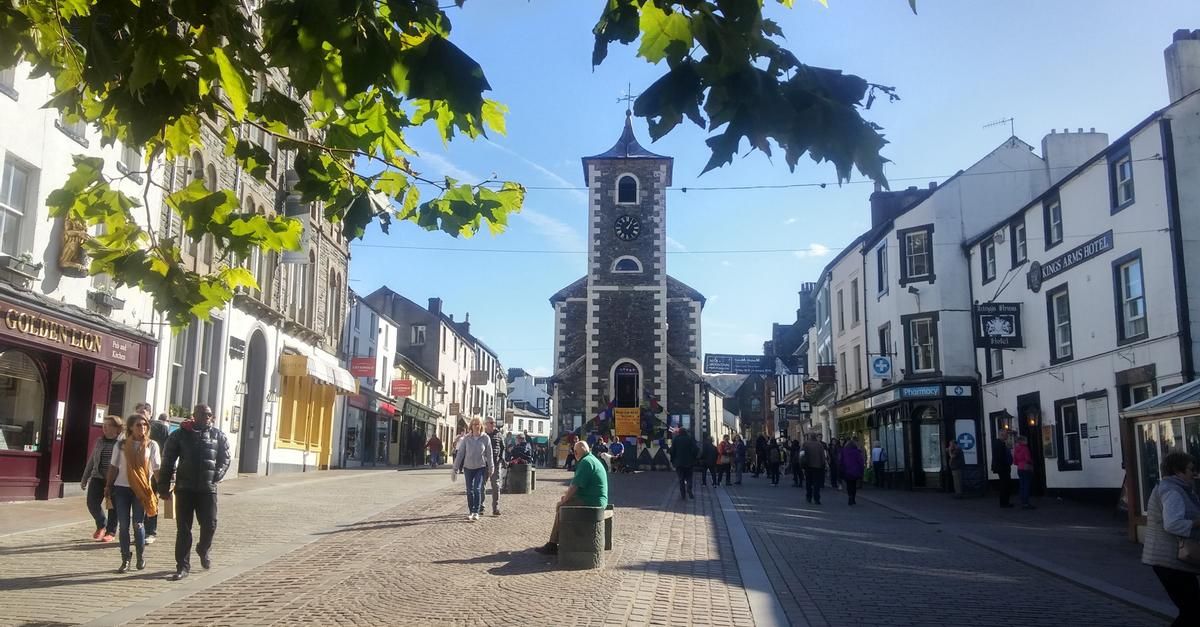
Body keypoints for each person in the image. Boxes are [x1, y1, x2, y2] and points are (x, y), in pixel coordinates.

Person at [158, 404, 231, 581]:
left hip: (207, 489)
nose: (207, 417)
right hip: (185, 488)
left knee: (210, 525)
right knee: (183, 529)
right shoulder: (179, 435)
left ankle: (203, 548)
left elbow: (225, 458)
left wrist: (217, 474)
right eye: (203, 414)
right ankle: (183, 566)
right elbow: (167, 461)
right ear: (194, 415)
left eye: (209, 414)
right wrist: (163, 487)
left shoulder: (218, 435)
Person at [1141, 452, 1200, 627]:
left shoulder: (1177, 489)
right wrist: (1197, 523)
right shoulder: (1172, 491)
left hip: (1170, 562)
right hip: (1170, 561)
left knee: (1192, 610)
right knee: (1193, 612)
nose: (1194, 473)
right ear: (1177, 470)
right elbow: (1172, 524)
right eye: (1190, 469)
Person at [105, 414, 161, 573]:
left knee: (138, 524)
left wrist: (162, 487)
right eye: (138, 425)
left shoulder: (152, 445)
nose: (142, 427)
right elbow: (114, 466)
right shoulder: (121, 445)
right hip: (121, 488)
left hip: (141, 489)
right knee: (123, 525)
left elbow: (156, 468)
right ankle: (125, 558)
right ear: (130, 427)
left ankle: (140, 556)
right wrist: (108, 485)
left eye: (144, 425)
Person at [535, 440, 608, 555]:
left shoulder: (585, 462)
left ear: (577, 452)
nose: (574, 454)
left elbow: (575, 486)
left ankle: (553, 544)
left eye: (575, 452)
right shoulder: (592, 459)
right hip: (596, 499)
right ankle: (558, 540)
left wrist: (563, 501)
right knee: (564, 502)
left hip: (592, 501)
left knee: (562, 507)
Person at [80, 415, 122, 542]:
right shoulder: (100, 441)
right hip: (97, 477)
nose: (104, 427)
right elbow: (92, 460)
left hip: (115, 479)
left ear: (117, 428)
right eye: (104, 425)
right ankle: (101, 525)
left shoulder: (122, 443)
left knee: (113, 506)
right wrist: (85, 477)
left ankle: (111, 532)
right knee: (92, 503)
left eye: (108, 425)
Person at [452, 417, 494, 522]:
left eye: (478, 424)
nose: (476, 426)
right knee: (469, 491)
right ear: (471, 426)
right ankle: (471, 511)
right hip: (468, 467)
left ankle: (476, 511)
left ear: (481, 426)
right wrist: (455, 468)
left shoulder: (485, 438)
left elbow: (489, 454)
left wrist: (491, 467)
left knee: (477, 489)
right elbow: (460, 453)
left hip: (480, 467)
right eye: (474, 424)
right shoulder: (467, 438)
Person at [145, 408, 169, 544]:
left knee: (151, 501)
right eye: (138, 412)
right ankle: (140, 530)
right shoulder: (131, 429)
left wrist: (164, 478)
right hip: (135, 475)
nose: (141, 416)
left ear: (150, 414)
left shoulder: (160, 428)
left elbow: (167, 450)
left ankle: (150, 531)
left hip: (154, 472)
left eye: (144, 412)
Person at [484, 418, 506, 517]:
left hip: (496, 463)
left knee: (496, 485)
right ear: (486, 424)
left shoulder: (499, 434)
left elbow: (503, 447)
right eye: (491, 423)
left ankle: (495, 508)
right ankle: (481, 507)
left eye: (494, 423)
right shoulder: (483, 435)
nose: (494, 425)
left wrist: (502, 458)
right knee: (481, 485)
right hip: (483, 464)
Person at [670, 427, 699, 499]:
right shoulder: (690, 439)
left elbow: (672, 451)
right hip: (689, 462)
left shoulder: (676, 439)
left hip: (679, 463)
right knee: (689, 477)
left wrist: (673, 460)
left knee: (681, 479)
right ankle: (689, 488)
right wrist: (694, 457)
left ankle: (683, 494)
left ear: (679, 432)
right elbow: (696, 449)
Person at [802, 433, 827, 505]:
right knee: (816, 483)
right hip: (817, 466)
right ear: (815, 437)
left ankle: (809, 496)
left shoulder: (805, 444)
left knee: (808, 482)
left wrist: (802, 465)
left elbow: (801, 455)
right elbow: (823, 456)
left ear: (809, 437)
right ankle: (817, 498)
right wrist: (823, 464)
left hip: (808, 466)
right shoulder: (819, 445)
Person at [991, 430, 1014, 508]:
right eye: (1005, 435)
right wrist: (1007, 463)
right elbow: (1000, 457)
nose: (1007, 436)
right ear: (1001, 435)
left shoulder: (999, 443)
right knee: (1005, 485)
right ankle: (1004, 503)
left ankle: (1004, 502)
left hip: (1002, 467)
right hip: (1002, 468)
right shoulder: (999, 444)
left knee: (1005, 484)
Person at [840, 438, 866, 505]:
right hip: (855, 471)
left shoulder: (844, 451)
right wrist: (861, 470)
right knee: (854, 485)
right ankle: (853, 498)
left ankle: (850, 496)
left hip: (847, 471)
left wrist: (842, 469)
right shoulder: (857, 452)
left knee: (849, 485)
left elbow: (841, 461)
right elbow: (861, 462)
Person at [1013, 436, 1035, 509]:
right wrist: (1031, 463)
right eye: (1025, 440)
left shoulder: (1016, 449)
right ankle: (1026, 503)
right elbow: (1028, 459)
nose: (1027, 441)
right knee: (1026, 485)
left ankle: (1023, 502)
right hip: (1026, 468)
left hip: (1019, 468)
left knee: (1022, 485)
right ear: (1022, 441)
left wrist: (1019, 463)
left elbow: (1015, 461)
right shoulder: (1025, 448)